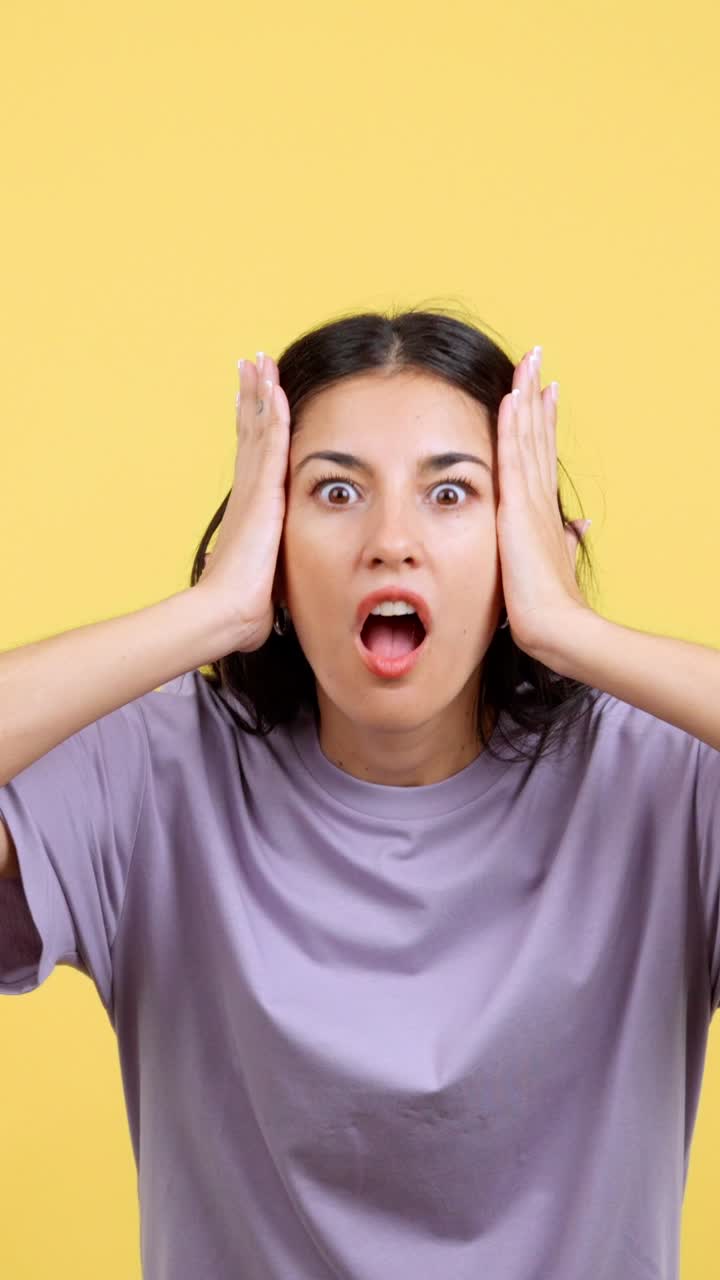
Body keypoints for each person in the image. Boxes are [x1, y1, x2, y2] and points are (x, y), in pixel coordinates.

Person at [0, 307, 718, 1280]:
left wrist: (572, 631)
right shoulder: (150, 776)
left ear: (520, 541)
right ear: (269, 541)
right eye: (335, 491)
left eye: (451, 493)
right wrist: (209, 613)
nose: (391, 541)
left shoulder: (663, 784)